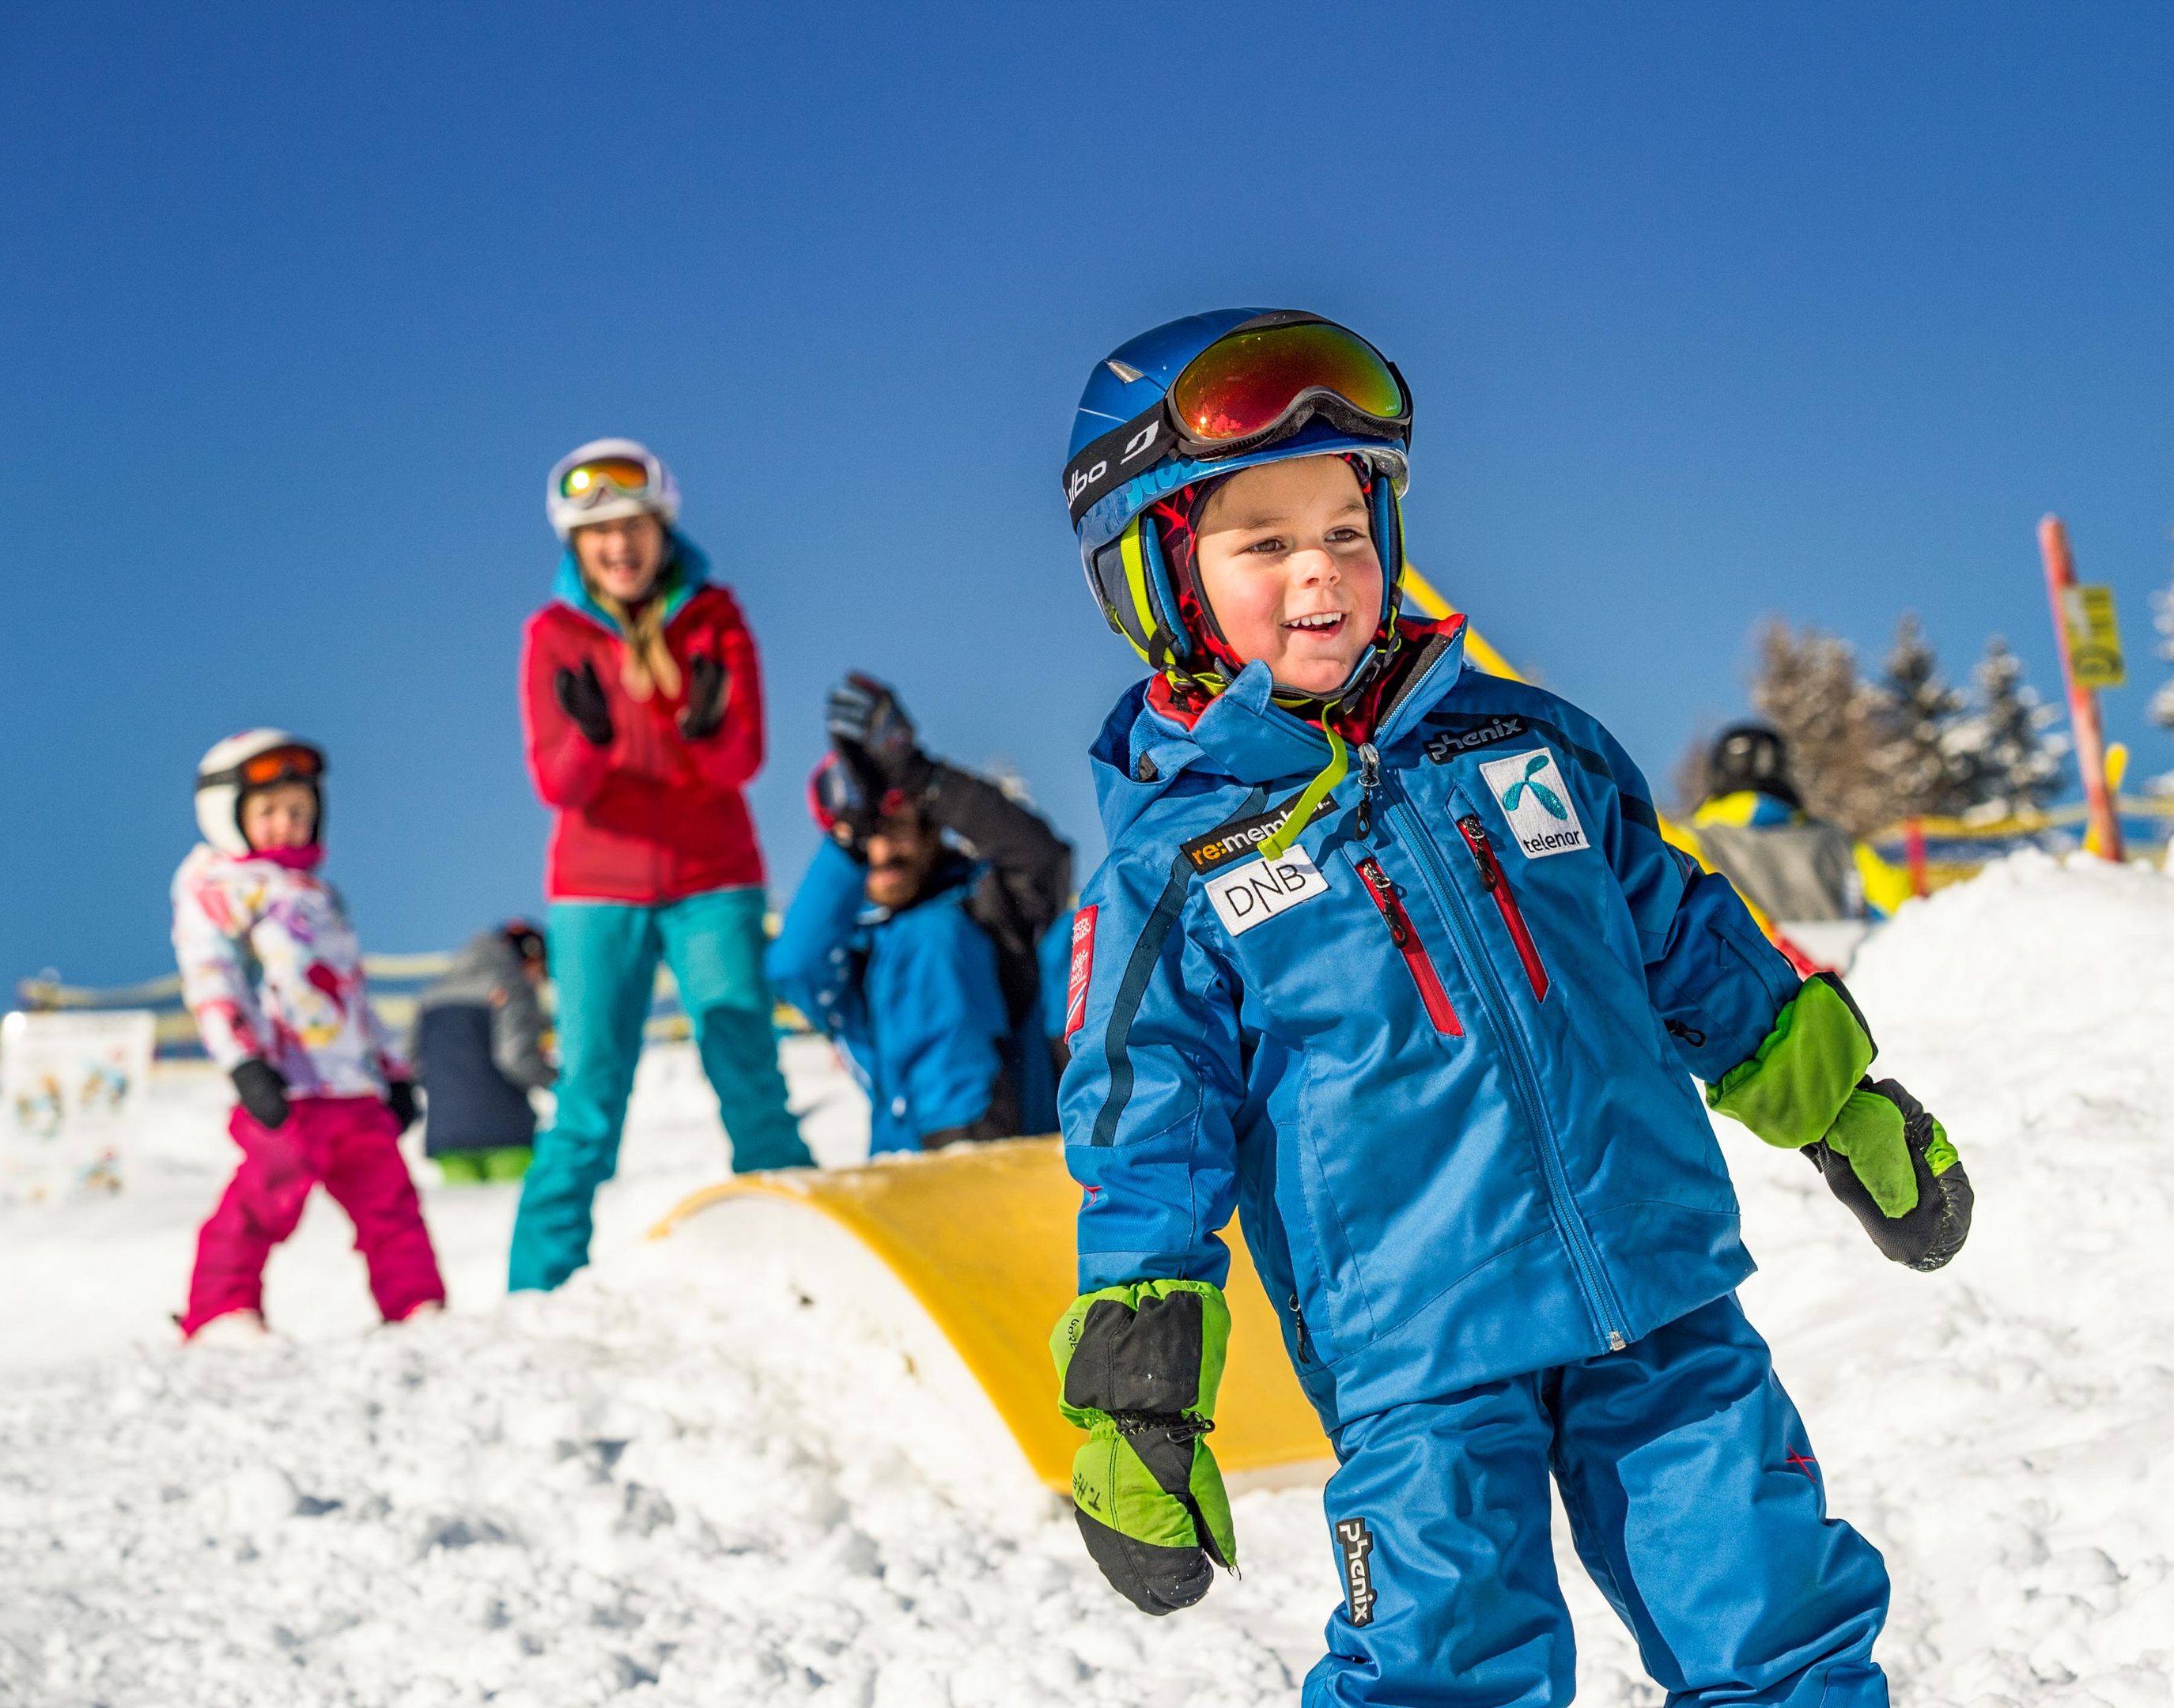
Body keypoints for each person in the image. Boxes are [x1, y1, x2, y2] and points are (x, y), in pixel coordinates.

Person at [1045, 311, 1975, 1706]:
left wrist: (1841, 1107)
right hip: (1416, 1352)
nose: (1321, 573)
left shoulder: (1525, 743)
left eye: (1347, 530)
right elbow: (1143, 1122)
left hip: (1660, 1291)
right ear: (1158, 579)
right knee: (1445, 1671)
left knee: (1775, 1619)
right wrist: (1140, 1382)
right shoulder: (1182, 861)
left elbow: (1691, 945)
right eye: (1264, 542)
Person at [509, 438, 811, 1292]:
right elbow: (555, 783)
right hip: (595, 889)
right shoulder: (553, 637)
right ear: (576, 546)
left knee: (746, 1067)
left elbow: (739, 762)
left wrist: (700, 722)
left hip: (712, 876)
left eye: (633, 526)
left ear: (661, 529)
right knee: (588, 1098)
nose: (619, 546)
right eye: (599, 532)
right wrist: (595, 740)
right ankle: (538, 1290)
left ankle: (805, 1258)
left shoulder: (716, 616)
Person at [173, 731, 446, 1339]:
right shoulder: (218, 886)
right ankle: (220, 1311)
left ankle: (416, 1307)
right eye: (268, 811)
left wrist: (393, 1073)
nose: (285, 824)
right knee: (262, 1201)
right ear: (227, 816)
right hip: (286, 1087)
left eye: (299, 812)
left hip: (352, 1087)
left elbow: (351, 991)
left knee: (392, 1205)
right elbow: (212, 977)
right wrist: (244, 1063)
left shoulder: (319, 895)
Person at [766, 674, 1076, 1152]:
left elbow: (1043, 859)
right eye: (869, 837)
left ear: (930, 830)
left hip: (1018, 1154)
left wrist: (924, 778)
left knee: (940, 936)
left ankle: (967, 1146)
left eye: (898, 827)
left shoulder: (990, 906)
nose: (885, 850)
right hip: (909, 1175)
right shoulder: (855, 958)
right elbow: (794, 967)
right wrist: (847, 839)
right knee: (921, 937)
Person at [1688, 723, 1912, 930]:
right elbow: (1901, 906)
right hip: (1835, 969)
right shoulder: (1837, 842)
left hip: (1731, 969)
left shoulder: (1685, 841)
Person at [411, 920, 552, 1182]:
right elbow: (515, 1057)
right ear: (530, 957)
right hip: (506, 1133)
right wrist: (557, 1080)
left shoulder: (430, 994)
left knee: (466, 1218)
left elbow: (416, 1063)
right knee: (512, 1212)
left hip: (447, 1135)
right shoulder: (512, 986)